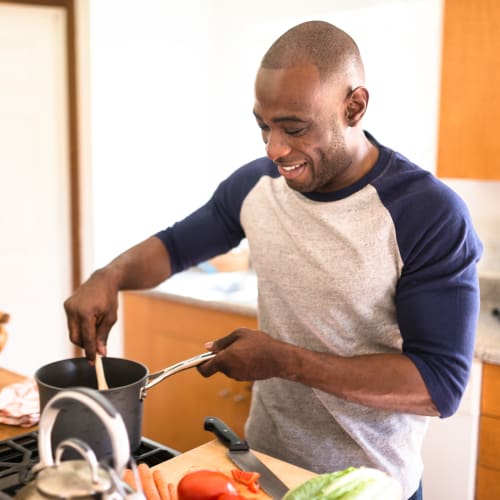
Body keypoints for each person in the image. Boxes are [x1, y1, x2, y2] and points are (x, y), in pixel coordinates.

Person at [64, 21, 482, 500]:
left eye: (294, 128)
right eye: (264, 125)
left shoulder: (426, 213)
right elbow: (175, 247)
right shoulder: (256, 185)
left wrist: (284, 360)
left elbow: (439, 387)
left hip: (366, 487)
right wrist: (108, 276)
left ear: (354, 107)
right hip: (259, 473)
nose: (274, 148)